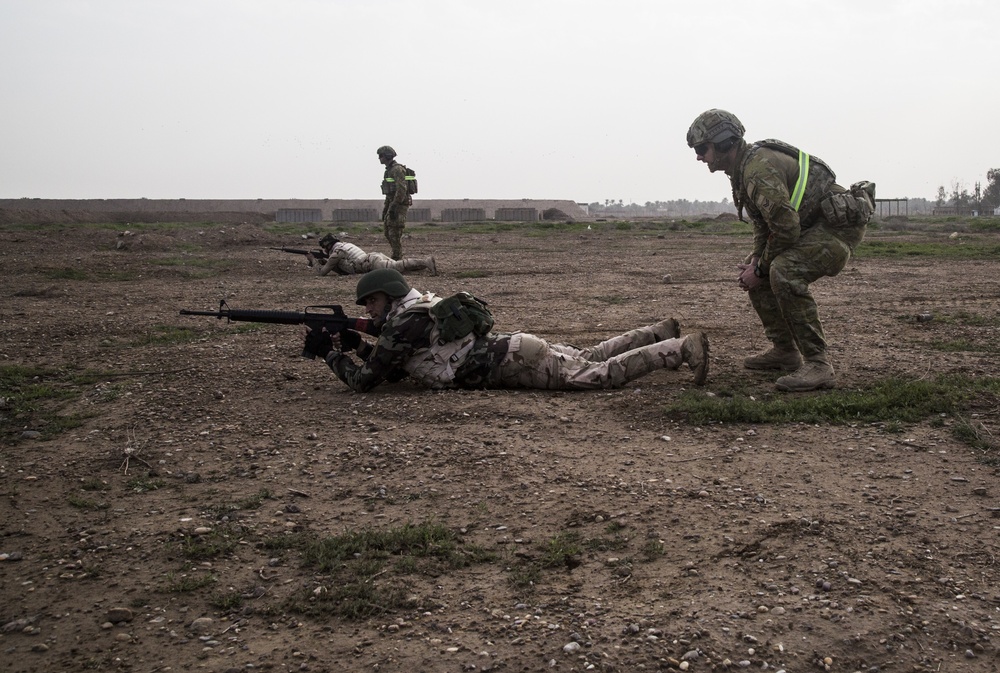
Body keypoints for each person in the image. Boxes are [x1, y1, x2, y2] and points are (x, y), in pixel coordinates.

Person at [686, 109, 875, 392]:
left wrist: (762, 268)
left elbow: (786, 228)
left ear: (724, 143)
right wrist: (756, 262)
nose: (699, 156)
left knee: (783, 271)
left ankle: (818, 364)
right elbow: (765, 224)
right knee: (758, 267)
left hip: (836, 230)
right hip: (809, 226)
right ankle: (785, 351)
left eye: (703, 148)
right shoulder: (744, 169)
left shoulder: (757, 169)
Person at [302, 269, 709, 392]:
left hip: (511, 362)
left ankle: (678, 347)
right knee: (591, 356)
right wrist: (357, 345)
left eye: (371, 302)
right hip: (513, 348)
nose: (369, 310)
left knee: (598, 375)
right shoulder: (418, 309)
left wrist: (329, 354)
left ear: (388, 297)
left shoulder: (401, 324)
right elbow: (394, 366)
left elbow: (366, 382)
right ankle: (658, 332)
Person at [307, 233, 437, 276]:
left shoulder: (336, 253)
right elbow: (343, 270)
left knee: (397, 267)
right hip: (371, 257)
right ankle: (424, 266)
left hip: (368, 262)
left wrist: (313, 260)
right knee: (399, 269)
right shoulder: (345, 245)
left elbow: (322, 273)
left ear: (328, 245)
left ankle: (425, 262)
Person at [377, 145, 412, 260]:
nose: (379, 158)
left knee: (395, 232)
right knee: (388, 232)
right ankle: (397, 255)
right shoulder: (388, 171)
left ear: (387, 156)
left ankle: (397, 258)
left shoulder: (397, 170)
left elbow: (401, 190)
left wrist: (394, 206)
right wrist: (386, 208)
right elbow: (389, 193)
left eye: (381, 156)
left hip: (400, 205)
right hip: (392, 203)